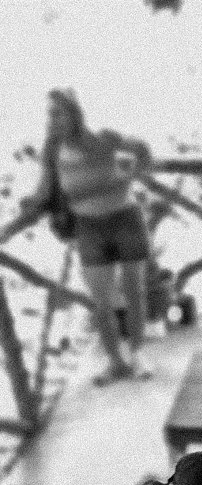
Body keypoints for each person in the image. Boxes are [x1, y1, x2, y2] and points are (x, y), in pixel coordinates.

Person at [4, 89, 154, 385]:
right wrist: (12, 225)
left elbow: (137, 158)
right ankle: (115, 362)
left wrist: (127, 174)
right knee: (101, 302)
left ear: (75, 113)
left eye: (58, 113)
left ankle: (137, 354)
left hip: (126, 219)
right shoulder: (52, 149)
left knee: (134, 293)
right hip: (89, 227)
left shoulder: (106, 139)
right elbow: (45, 191)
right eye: (49, 114)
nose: (51, 119)